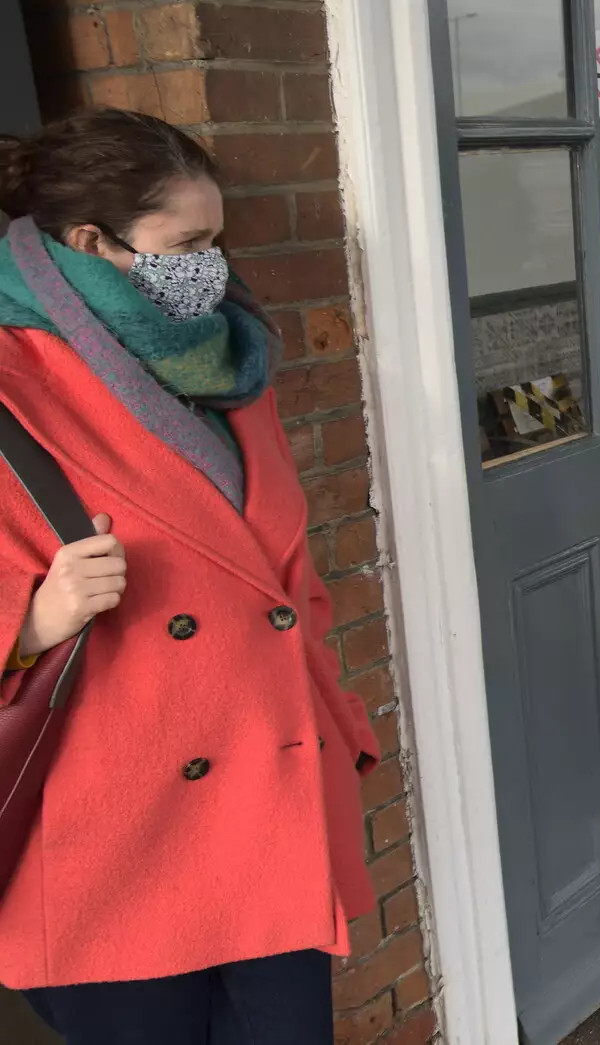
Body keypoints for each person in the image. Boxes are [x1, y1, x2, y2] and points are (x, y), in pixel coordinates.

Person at [0, 109, 378, 1044]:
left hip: (268, 791)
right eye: (190, 243)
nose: (212, 266)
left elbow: (284, 577)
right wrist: (29, 620)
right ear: (93, 242)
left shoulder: (226, 360)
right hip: (114, 830)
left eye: (219, 239)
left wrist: (334, 719)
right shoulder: (13, 377)